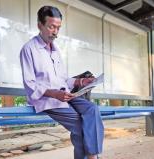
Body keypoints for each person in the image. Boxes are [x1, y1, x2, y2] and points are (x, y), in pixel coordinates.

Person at [19, 6, 104, 159]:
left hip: (65, 95)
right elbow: (29, 84)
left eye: (58, 28)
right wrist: (54, 93)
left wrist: (81, 81)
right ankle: (93, 157)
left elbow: (63, 79)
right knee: (81, 126)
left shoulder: (55, 50)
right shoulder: (28, 49)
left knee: (92, 109)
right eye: (51, 27)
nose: (55, 32)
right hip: (47, 100)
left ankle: (92, 154)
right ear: (40, 25)